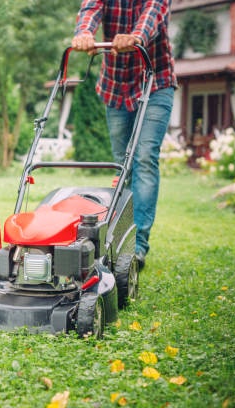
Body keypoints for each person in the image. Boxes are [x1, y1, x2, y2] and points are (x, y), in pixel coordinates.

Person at [72, 0, 177, 271]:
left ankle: (138, 245)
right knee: (122, 164)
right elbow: (91, 7)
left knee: (144, 157)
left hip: (155, 81)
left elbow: (154, 10)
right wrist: (85, 32)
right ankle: (121, 238)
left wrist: (136, 36)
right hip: (115, 86)